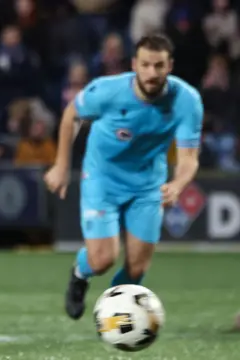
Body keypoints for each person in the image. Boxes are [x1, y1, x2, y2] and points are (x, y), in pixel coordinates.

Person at [44, 34, 203, 320]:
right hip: (102, 179)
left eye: (159, 65)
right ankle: (80, 274)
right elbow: (71, 115)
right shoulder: (107, 91)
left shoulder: (187, 101)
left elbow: (189, 158)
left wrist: (178, 184)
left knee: (137, 268)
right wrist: (61, 165)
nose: (152, 73)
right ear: (134, 64)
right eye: (145, 64)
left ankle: (114, 317)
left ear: (170, 66)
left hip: (148, 184)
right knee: (102, 259)